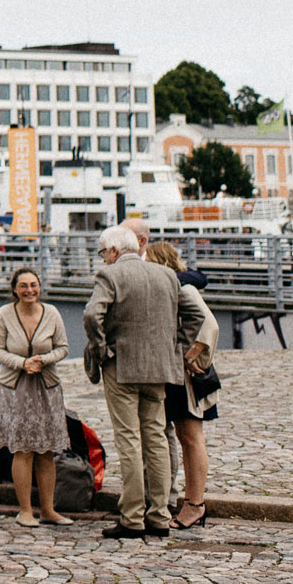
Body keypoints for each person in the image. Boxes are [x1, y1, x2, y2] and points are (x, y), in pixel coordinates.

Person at [80, 225, 202, 542]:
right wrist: (178, 349)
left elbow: (92, 315)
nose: (103, 258)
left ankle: (132, 517)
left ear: (114, 251)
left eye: (103, 252)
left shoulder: (111, 277)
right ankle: (160, 515)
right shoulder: (165, 276)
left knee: (129, 440)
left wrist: (101, 348)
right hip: (160, 369)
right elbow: (195, 315)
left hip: (122, 367)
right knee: (157, 439)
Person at [0, 267, 70, 526]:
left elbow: (63, 347)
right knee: (23, 449)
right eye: (23, 286)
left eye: (33, 285)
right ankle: (25, 510)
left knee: (46, 450)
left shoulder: (52, 313)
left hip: (46, 387)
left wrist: (43, 360)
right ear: (15, 289)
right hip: (16, 388)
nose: (29, 290)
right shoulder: (4, 314)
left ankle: (48, 509)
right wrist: (22, 363)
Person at [147, 241, 220, 529]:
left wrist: (189, 358)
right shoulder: (176, 286)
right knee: (185, 438)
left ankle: (195, 504)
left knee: (191, 439)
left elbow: (209, 324)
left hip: (187, 377)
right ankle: (190, 502)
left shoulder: (183, 288)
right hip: (178, 373)